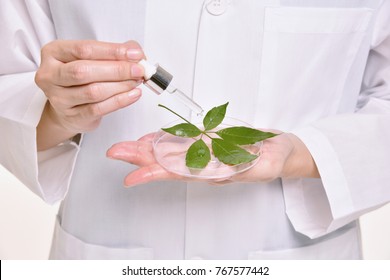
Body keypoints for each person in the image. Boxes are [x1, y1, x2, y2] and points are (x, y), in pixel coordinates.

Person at [0, 0, 389, 259]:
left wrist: (302, 153)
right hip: (104, 247)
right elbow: (11, 86)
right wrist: (59, 113)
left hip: (300, 254)